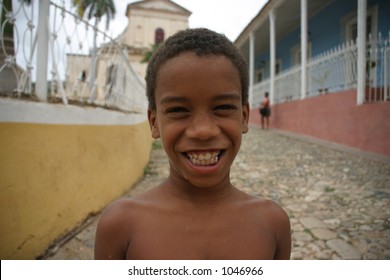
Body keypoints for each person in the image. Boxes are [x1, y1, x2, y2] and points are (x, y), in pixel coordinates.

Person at [94, 28, 291, 260]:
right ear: (154, 122)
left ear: (244, 117)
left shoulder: (272, 224)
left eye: (223, 107)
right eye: (178, 110)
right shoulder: (120, 226)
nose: (203, 131)